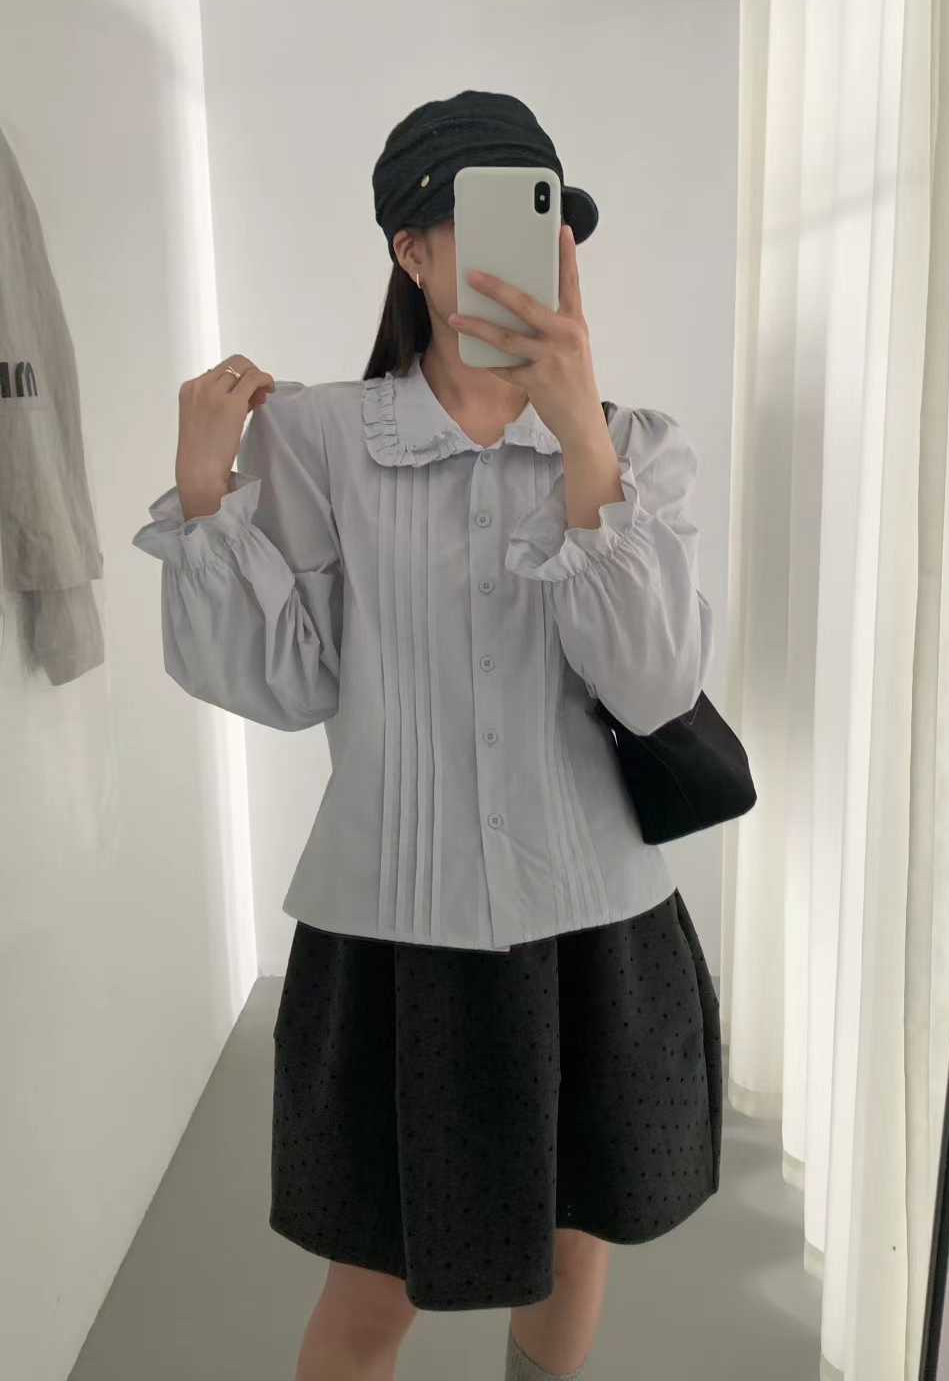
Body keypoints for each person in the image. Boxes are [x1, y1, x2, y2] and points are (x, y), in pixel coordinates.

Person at [131, 90, 723, 1381]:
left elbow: (655, 686)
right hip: (399, 935)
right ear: (411, 249)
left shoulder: (634, 449)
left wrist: (581, 440)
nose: (533, 253)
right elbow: (286, 684)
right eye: (492, 220)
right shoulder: (320, 439)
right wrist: (203, 494)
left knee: (574, 1243)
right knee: (374, 1290)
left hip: (596, 923)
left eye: (550, 224)